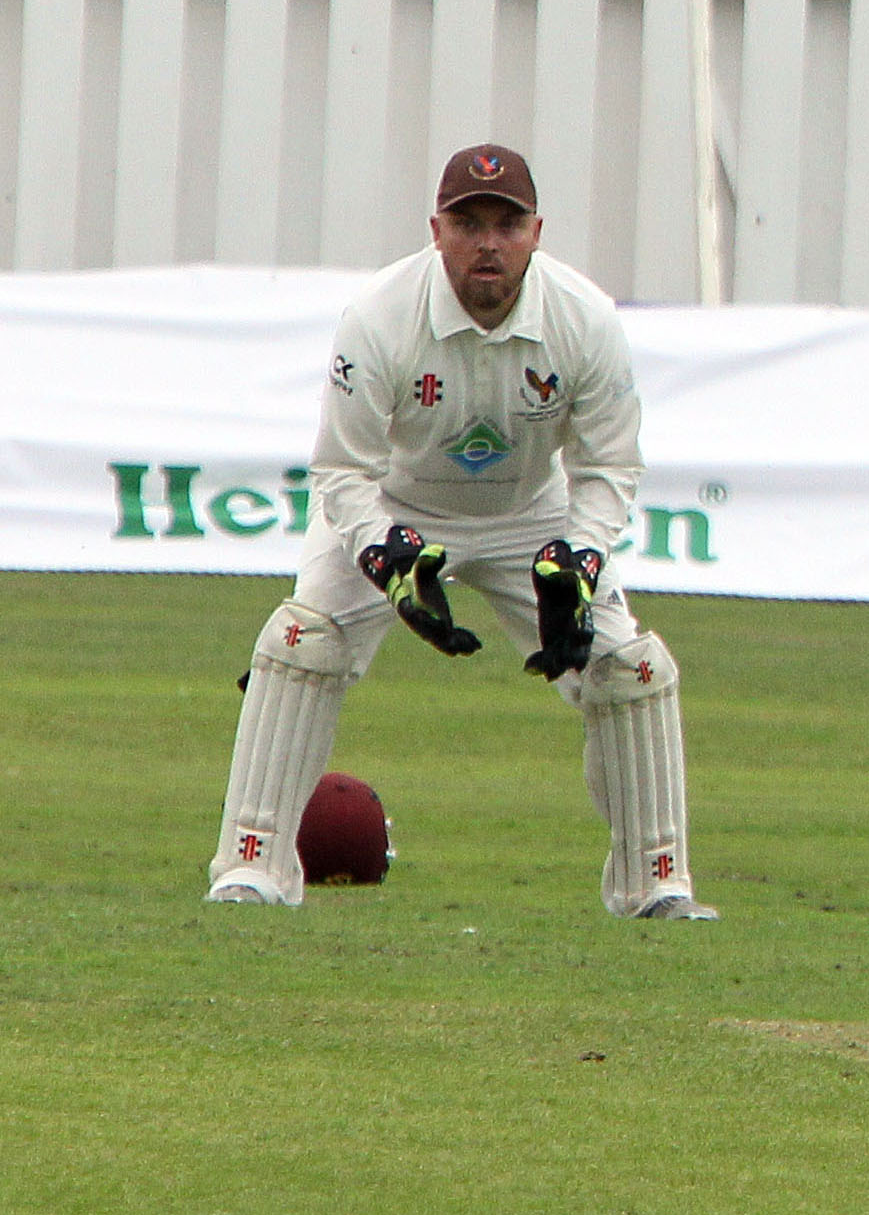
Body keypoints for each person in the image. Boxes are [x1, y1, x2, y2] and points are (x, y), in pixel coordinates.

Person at [206, 145, 715, 920]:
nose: (488, 243)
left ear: (536, 232)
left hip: (530, 514)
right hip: (395, 503)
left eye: (506, 225)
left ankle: (657, 885)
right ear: (435, 230)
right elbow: (342, 469)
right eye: (468, 223)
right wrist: (383, 555)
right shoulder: (379, 316)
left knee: (633, 670)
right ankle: (251, 869)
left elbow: (609, 465)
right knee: (300, 644)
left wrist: (581, 560)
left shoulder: (584, 318)